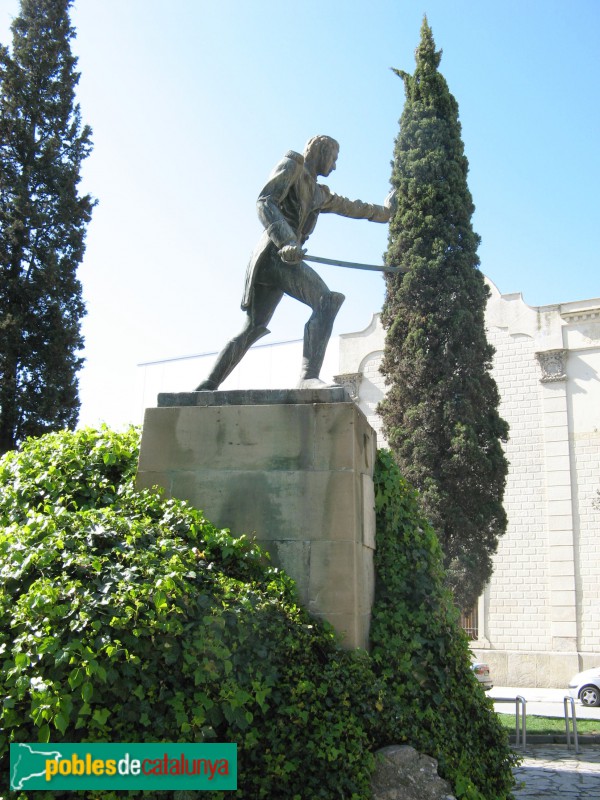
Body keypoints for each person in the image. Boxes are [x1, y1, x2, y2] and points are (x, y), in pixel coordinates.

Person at [195, 135, 393, 391]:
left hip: (285, 257)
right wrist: (287, 240)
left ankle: (207, 385)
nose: (334, 167)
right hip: (274, 254)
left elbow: (352, 207)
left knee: (253, 327)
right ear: (321, 152)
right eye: (333, 159)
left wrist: (386, 213)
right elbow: (264, 201)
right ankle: (308, 377)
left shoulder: (320, 194)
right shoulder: (292, 166)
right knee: (325, 301)